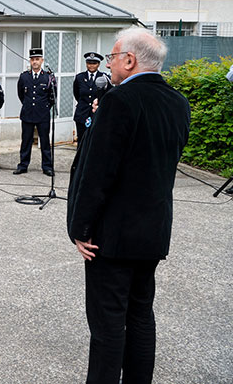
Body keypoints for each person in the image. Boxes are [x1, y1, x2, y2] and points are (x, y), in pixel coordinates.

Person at [67, 28, 190, 384]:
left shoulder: (119, 101)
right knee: (140, 315)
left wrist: (80, 228)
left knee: (108, 326)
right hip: (152, 231)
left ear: (130, 60)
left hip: (112, 237)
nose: (109, 62)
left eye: (112, 56)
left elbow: (97, 172)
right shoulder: (178, 102)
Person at [14, 47, 54, 176]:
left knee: (45, 141)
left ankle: (47, 167)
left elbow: (52, 97)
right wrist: (28, 106)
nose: (35, 62)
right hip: (27, 114)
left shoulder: (48, 77)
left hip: (42, 114)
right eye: (32, 59)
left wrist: (44, 107)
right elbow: (21, 94)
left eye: (37, 59)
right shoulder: (24, 76)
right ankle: (23, 165)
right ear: (30, 61)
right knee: (26, 141)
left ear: (42, 60)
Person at [73, 52, 111, 144]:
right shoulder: (80, 77)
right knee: (81, 140)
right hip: (82, 114)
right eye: (89, 63)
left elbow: (107, 95)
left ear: (98, 64)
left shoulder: (104, 78)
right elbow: (77, 94)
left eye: (94, 63)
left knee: (95, 141)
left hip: (96, 114)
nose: (91, 65)